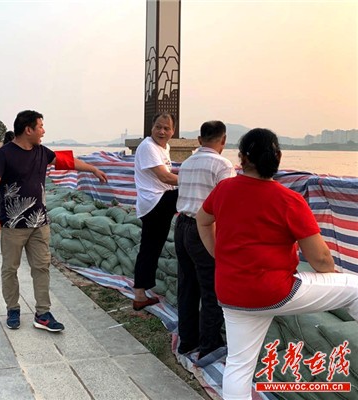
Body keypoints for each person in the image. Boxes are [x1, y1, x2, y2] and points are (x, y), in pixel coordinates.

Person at [196, 128, 358, 400]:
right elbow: (320, 259)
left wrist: (218, 255)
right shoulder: (289, 200)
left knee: (238, 365)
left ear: (243, 158)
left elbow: (202, 220)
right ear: (277, 158)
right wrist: (331, 276)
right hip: (275, 292)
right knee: (355, 288)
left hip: (231, 292)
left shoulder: (224, 189)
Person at [0, 110, 108, 332]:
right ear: (28, 129)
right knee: (10, 269)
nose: (43, 131)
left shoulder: (42, 152)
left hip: (39, 223)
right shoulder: (4, 154)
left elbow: (68, 161)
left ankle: (42, 313)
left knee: (42, 267)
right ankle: (13, 309)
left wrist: (93, 169)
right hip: (12, 225)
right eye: (40, 126)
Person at [174, 120, 235, 361]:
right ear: (223, 140)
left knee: (187, 286)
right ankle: (209, 345)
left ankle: (187, 341)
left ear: (199, 140)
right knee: (211, 288)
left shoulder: (187, 163)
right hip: (204, 229)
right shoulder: (223, 165)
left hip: (182, 225)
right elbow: (227, 203)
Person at [132, 112, 179, 311]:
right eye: (158, 127)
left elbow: (168, 175)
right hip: (155, 202)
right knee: (150, 248)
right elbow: (165, 177)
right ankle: (139, 294)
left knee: (151, 248)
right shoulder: (148, 147)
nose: (162, 131)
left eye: (166, 128)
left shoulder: (164, 147)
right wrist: (196, 180)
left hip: (158, 201)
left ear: (173, 131)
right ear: (151, 127)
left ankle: (140, 294)